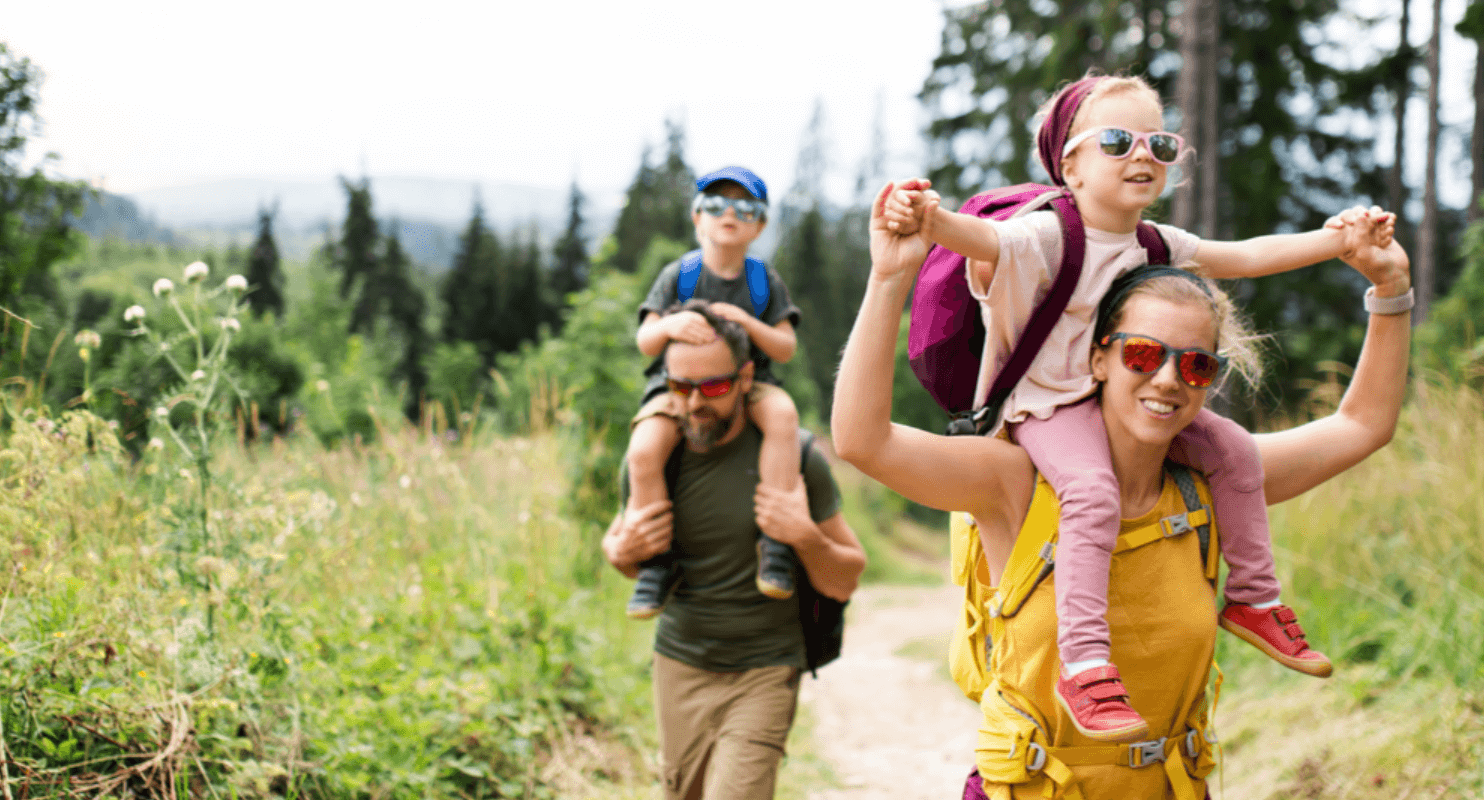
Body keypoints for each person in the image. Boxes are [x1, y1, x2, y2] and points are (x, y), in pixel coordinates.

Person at [833, 179, 1411, 798]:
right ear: (1098, 358)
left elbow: (1362, 425)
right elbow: (863, 441)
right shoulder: (1016, 481)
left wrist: (1391, 290)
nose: (1167, 380)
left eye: (1196, 365)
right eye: (1142, 354)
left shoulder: (1214, 486)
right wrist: (890, 277)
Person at [882, 73, 1396, 739]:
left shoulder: (1152, 244)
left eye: (1161, 142)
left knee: (1235, 449)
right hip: (1047, 410)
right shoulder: (1045, 235)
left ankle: (1251, 599)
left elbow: (1240, 258)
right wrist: (925, 219)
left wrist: (1340, 243)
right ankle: (1086, 662)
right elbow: (981, 241)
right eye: (1119, 141)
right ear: (1070, 162)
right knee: (1092, 491)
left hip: (1109, 401)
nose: (1144, 155)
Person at [603, 300, 867, 800]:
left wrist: (804, 535)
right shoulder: (655, 458)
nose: (695, 403)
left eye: (715, 386)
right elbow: (621, 547)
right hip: (679, 663)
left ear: (746, 378)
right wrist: (620, 553)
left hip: (765, 668)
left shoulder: (798, 461)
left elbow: (846, 577)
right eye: (680, 388)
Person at [626, 166, 807, 618]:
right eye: (716, 205)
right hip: (679, 386)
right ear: (697, 218)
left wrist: (747, 323)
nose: (730, 214)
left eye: (745, 207)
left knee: (784, 419)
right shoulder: (680, 275)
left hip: (751, 381)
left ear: (760, 225)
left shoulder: (763, 280)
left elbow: (785, 347)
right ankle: (655, 560)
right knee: (645, 451)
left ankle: (775, 543)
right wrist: (668, 324)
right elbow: (645, 340)